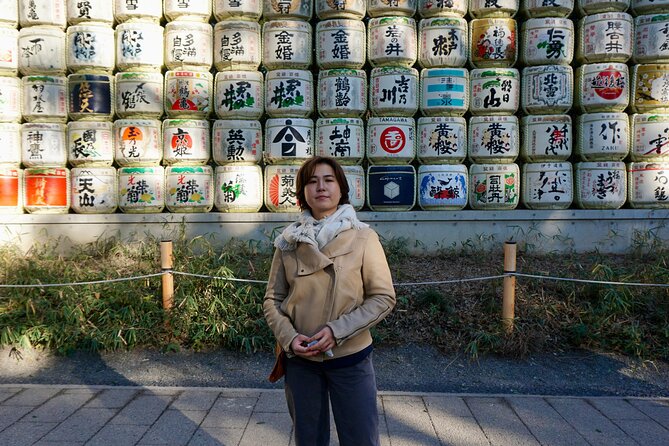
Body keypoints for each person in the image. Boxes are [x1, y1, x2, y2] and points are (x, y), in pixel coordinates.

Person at [263, 156, 396, 446]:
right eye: (311, 181)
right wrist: (289, 338)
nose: (320, 187)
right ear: (302, 192)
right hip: (301, 358)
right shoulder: (289, 241)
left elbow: (383, 297)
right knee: (309, 439)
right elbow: (273, 299)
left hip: (350, 357)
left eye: (328, 180)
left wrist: (337, 331)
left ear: (341, 188)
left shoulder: (363, 237)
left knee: (360, 438)